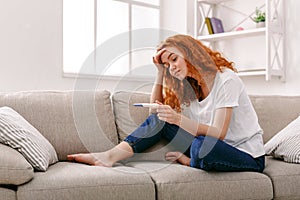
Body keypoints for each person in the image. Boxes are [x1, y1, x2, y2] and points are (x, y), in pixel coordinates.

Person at [67, 34, 265, 172]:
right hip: (206, 145)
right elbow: (156, 110)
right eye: (167, 65)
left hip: (245, 154)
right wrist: (160, 73)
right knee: (162, 119)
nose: (172, 67)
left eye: (174, 59)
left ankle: (188, 162)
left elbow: (218, 133)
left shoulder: (226, 80)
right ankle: (108, 157)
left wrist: (178, 119)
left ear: (190, 53)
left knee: (202, 145)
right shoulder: (189, 86)